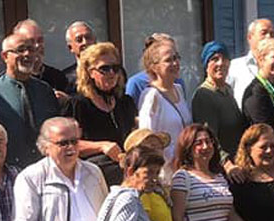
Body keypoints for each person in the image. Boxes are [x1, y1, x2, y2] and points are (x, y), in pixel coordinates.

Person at [0, 34, 60, 167]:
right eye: (20, 50)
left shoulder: (45, 90)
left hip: (46, 167)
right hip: (7, 169)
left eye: (31, 50)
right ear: (5, 56)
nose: (27, 54)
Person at [64, 42, 135, 185]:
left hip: (125, 176)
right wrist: (101, 146)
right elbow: (66, 144)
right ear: (90, 72)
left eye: (115, 68)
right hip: (92, 178)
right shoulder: (78, 104)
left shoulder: (125, 102)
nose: (111, 73)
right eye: (104, 69)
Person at [137, 37, 193, 176]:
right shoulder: (151, 96)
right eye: (168, 60)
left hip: (184, 167)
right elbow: (147, 138)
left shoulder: (179, 89)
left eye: (176, 58)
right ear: (154, 67)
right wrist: (169, 159)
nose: (175, 63)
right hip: (164, 171)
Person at [192, 40, 248, 170]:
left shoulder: (227, 90)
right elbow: (209, 137)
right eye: (214, 59)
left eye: (224, 59)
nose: (220, 63)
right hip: (221, 168)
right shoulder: (204, 95)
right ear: (206, 65)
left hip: (239, 161)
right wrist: (227, 165)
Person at [13, 19, 72, 98]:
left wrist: (65, 100)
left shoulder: (57, 77)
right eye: (31, 41)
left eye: (40, 40)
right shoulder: (12, 79)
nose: (37, 45)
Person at [228, 19, 274, 109]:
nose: (268, 37)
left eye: (272, 34)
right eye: (264, 33)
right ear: (250, 37)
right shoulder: (235, 67)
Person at [126, 34, 186, 101]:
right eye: (168, 60)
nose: (175, 63)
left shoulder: (178, 86)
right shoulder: (137, 84)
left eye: (175, 57)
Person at [62, 21, 98, 94]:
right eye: (79, 40)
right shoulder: (65, 78)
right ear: (70, 47)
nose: (85, 42)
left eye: (88, 38)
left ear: (95, 41)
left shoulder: (111, 70)